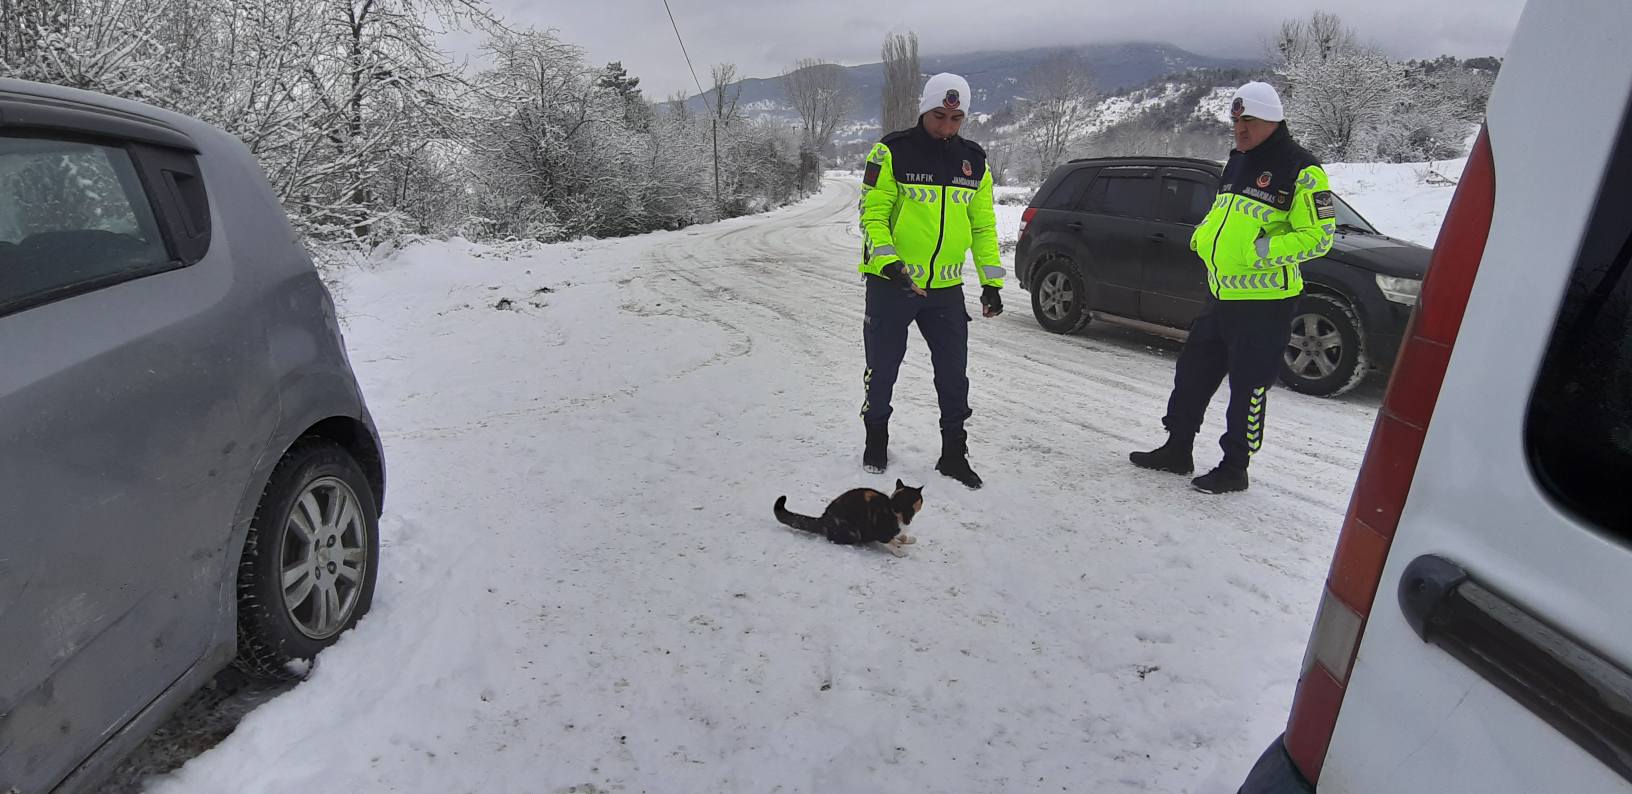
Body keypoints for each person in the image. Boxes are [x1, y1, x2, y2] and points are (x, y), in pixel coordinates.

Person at [1130, 81, 1336, 494]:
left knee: (1249, 389)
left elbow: (1320, 236)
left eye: (1249, 121)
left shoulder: (1302, 169)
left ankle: (1235, 466)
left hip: (1265, 303)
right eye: (1236, 121)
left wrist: (1261, 252)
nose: (1240, 129)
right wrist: (1202, 238)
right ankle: (1177, 448)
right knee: (1191, 375)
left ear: (1273, 121)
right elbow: (1221, 215)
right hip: (1221, 295)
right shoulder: (1237, 163)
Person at [855, 72, 1005, 489]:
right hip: (892, 284)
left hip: (944, 289)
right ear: (925, 109)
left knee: (954, 374)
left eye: (956, 118)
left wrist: (992, 281)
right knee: (883, 367)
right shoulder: (891, 151)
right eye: (939, 115)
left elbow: (983, 226)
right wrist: (890, 264)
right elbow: (872, 214)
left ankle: (954, 452)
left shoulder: (974, 160)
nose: (947, 125)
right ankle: (876, 435)